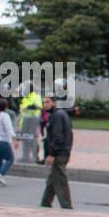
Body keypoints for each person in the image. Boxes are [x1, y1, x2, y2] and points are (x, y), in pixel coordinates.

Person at [40, 80, 74, 208]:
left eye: (47, 101)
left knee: (60, 180)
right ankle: (45, 203)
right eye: (43, 102)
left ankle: (66, 206)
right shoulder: (59, 114)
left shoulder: (57, 115)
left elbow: (58, 137)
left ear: (54, 102)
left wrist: (51, 154)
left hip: (59, 153)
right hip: (61, 151)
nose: (44, 104)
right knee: (52, 180)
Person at [0, 98, 17, 185]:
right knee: (10, 159)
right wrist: (14, 139)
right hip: (3, 140)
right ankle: (0, 174)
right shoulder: (5, 116)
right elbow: (9, 128)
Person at [18, 81, 43, 163]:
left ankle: (35, 157)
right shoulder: (25, 98)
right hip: (25, 121)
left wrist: (30, 107)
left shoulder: (36, 97)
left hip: (33, 121)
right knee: (25, 138)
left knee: (33, 139)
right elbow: (22, 109)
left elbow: (38, 106)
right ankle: (25, 157)